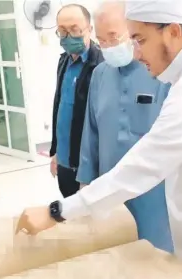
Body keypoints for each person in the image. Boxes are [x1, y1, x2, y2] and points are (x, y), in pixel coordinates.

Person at [16, 1, 182, 279]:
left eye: (139, 40)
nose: (136, 53)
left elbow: (144, 165)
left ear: (173, 32)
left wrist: (57, 211)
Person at [76, 1, 173, 252]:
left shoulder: (160, 73)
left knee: (156, 254)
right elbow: (91, 133)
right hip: (110, 188)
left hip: (155, 191)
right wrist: (86, 182)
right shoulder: (99, 75)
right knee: (117, 253)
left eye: (114, 37)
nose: (108, 46)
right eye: (101, 40)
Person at [49, 4, 104, 198]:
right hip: (64, 162)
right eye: (62, 31)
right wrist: (55, 152)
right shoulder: (63, 61)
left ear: (89, 29)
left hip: (88, 167)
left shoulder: (102, 65)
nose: (68, 36)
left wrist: (90, 171)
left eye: (74, 29)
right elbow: (60, 108)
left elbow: (101, 122)